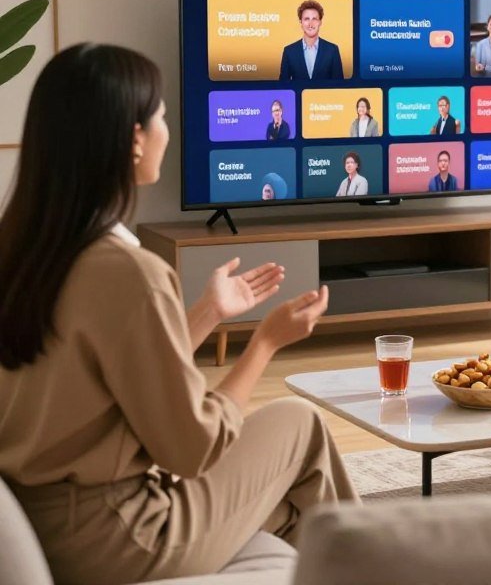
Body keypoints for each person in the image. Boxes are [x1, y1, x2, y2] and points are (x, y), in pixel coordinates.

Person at [0, 44, 358, 584]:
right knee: (299, 424)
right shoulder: (129, 273)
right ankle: (386, 564)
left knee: (290, 507)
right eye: (162, 116)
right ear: (134, 139)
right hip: (124, 536)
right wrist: (265, 342)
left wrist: (208, 312)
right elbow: (193, 448)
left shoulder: (24, 251)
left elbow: (107, 379)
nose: (168, 131)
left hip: (45, 526)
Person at [278, 0, 344, 81]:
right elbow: (283, 86)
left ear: (320, 22)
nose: (310, 24)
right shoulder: (289, 51)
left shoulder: (332, 50)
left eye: (314, 19)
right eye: (306, 19)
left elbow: (339, 85)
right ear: (301, 22)